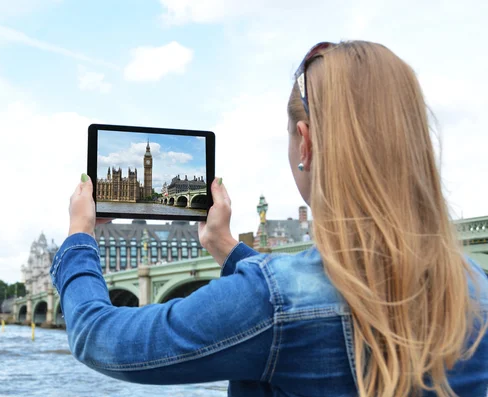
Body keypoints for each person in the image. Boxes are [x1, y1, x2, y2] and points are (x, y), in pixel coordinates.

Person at [51, 41, 488, 396]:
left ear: (306, 144)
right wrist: (224, 247)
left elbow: (100, 338)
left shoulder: (270, 304)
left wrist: (78, 237)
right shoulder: (477, 290)